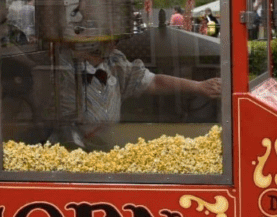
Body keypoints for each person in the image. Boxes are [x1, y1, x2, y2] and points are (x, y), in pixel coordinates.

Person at [55, 40, 220, 150]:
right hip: (69, 149)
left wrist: (199, 87)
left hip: (107, 145)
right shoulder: (61, 64)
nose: (114, 42)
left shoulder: (115, 61)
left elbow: (153, 82)